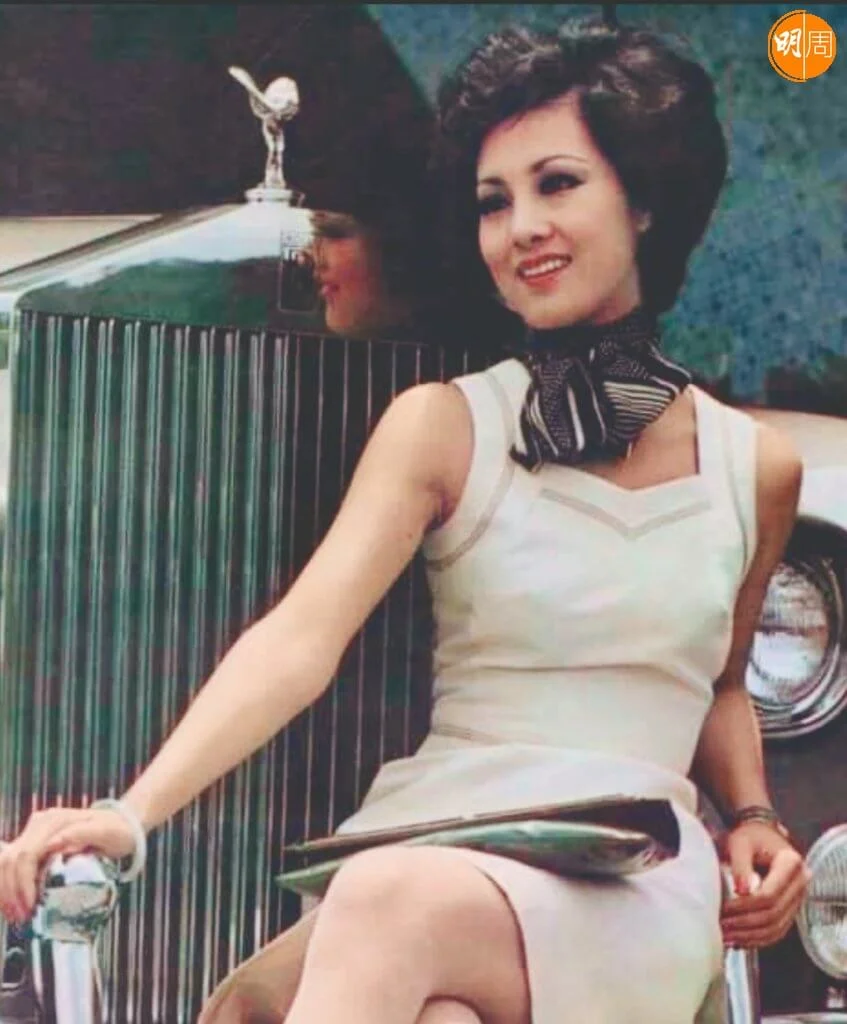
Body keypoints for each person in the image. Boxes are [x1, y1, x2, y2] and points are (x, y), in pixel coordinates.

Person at [0, 18, 809, 1024]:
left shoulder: (754, 467)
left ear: (645, 202)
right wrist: (131, 815)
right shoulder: (443, 425)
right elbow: (302, 635)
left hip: (629, 874)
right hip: (440, 832)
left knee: (383, 906)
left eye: (557, 184)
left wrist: (755, 815)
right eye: (493, 201)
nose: (521, 228)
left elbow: (721, 682)